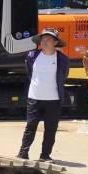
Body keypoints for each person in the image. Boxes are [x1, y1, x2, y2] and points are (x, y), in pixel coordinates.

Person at [17, 28, 69, 161]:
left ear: (55, 42)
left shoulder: (62, 59)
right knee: (30, 126)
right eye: (43, 39)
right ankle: (23, 153)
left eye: (48, 40)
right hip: (34, 98)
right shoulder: (32, 56)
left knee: (50, 129)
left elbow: (64, 76)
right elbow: (30, 73)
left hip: (53, 99)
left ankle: (45, 155)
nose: (44, 42)